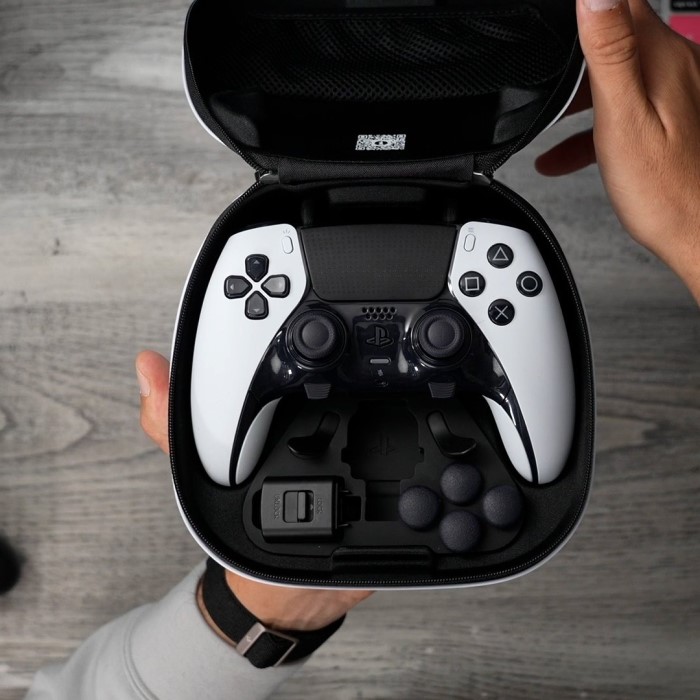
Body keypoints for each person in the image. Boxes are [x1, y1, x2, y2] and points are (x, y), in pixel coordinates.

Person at [25, 0, 700, 697]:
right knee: (540, 446)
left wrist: (257, 607)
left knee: (226, 457)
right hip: (474, 268)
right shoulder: (493, 261)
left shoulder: (263, 260)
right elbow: (543, 462)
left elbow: (225, 470)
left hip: (291, 276)